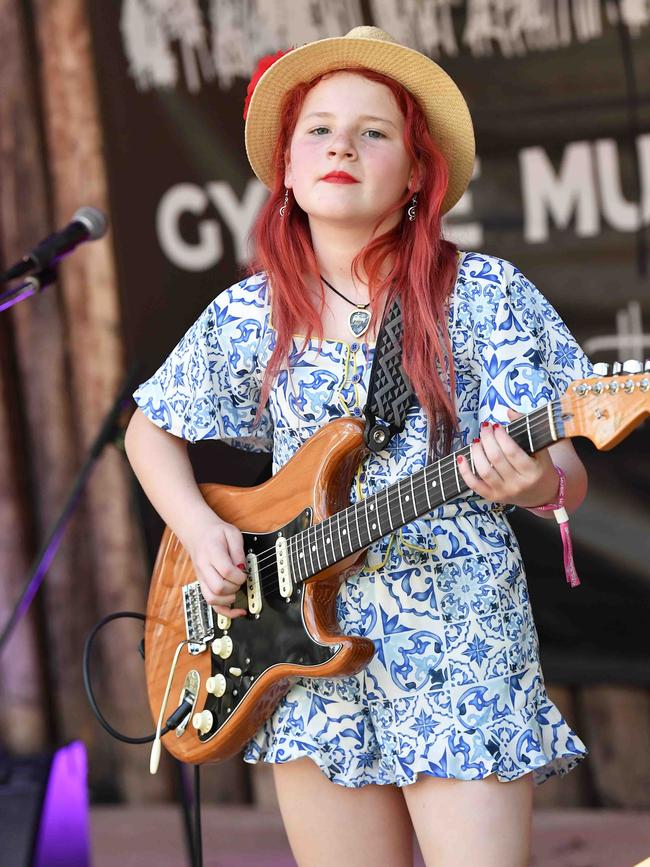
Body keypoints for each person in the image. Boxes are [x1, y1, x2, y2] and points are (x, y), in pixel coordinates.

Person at [125, 26, 592, 867]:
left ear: (417, 174)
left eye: (374, 131)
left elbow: (568, 474)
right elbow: (147, 430)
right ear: (289, 172)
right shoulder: (251, 311)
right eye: (320, 130)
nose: (343, 144)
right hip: (302, 648)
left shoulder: (484, 296)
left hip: (459, 640)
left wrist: (530, 486)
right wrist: (200, 529)